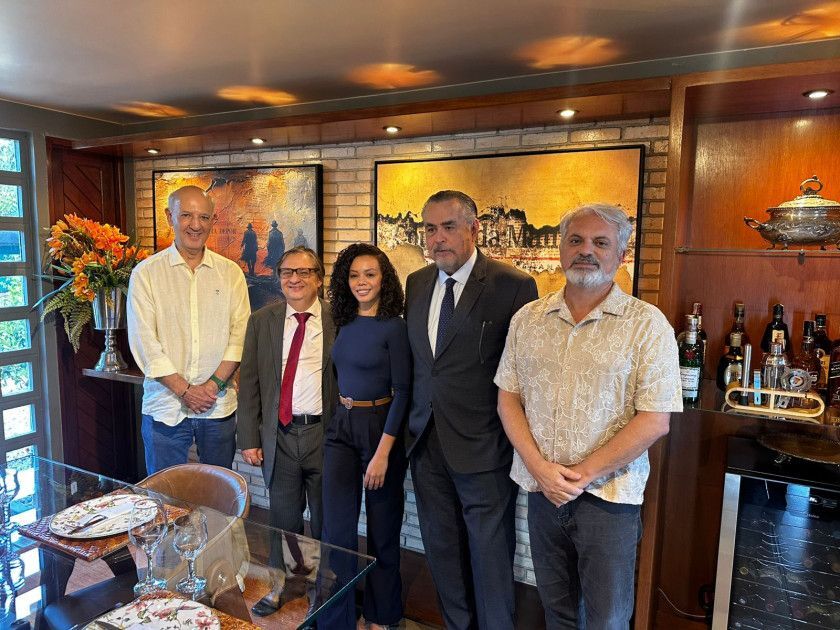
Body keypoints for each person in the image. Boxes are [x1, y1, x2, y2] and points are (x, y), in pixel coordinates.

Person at [494, 203, 683, 629]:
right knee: (556, 612)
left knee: (607, 619)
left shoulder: (646, 325)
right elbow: (508, 399)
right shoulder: (529, 319)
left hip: (608, 501)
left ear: (621, 254)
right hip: (542, 494)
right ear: (561, 248)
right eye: (576, 240)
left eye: (601, 243)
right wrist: (540, 469)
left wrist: (580, 475)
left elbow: (656, 419)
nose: (586, 251)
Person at [404, 190, 538, 629]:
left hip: (484, 449)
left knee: (490, 556)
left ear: (474, 228)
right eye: (430, 228)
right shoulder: (417, 283)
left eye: (448, 227)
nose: (437, 238)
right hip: (426, 445)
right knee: (441, 552)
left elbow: (523, 375)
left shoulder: (512, 285)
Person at [236, 246, 337, 617]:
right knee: (283, 520)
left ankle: (324, 591)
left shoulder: (338, 320)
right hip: (279, 437)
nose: (294, 279)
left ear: (319, 278)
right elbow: (250, 383)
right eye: (286, 272)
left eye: (304, 272)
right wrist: (248, 437)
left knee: (327, 520)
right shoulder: (262, 321)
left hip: (325, 436)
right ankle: (282, 585)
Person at [128, 185, 250, 474]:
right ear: (170, 216)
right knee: (166, 498)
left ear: (213, 221)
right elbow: (145, 343)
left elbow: (240, 336)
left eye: (204, 217)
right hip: (165, 406)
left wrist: (211, 387)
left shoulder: (231, 273)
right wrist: (185, 391)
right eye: (186, 215)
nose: (195, 225)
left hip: (218, 406)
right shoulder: (146, 274)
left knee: (219, 497)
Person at [320, 243, 410, 630]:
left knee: (383, 532)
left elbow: (404, 391)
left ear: (383, 278)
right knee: (336, 532)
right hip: (342, 426)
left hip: (381, 429)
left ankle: (380, 616)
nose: (361, 282)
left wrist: (383, 453)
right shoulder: (343, 321)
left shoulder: (395, 326)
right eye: (354, 275)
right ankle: (337, 621)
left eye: (370, 274)